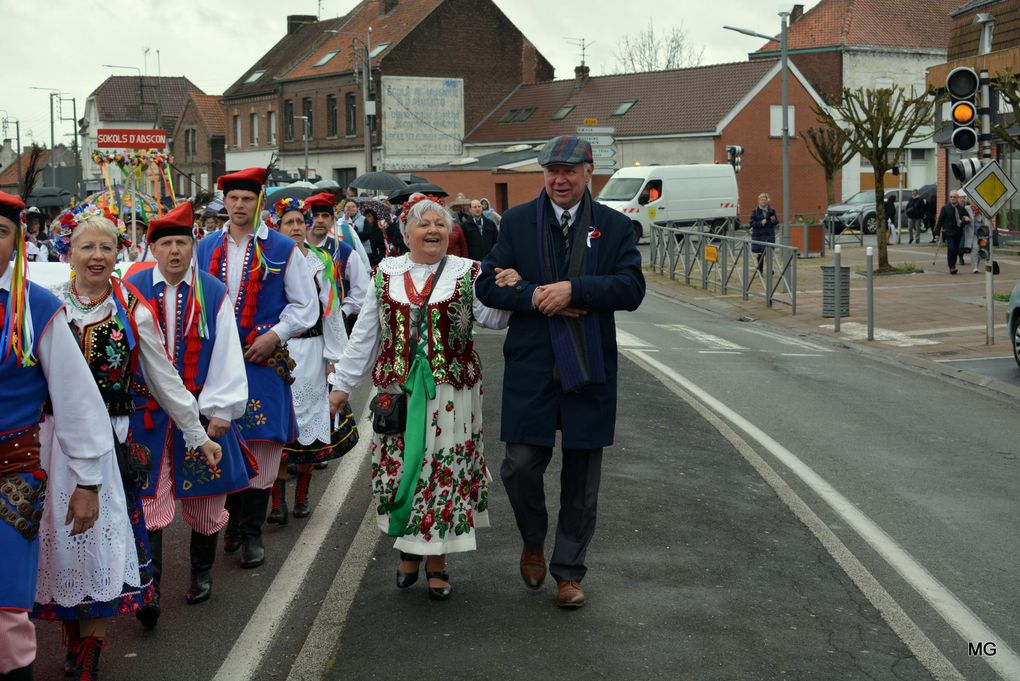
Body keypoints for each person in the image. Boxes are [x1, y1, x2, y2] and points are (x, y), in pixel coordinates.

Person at [34, 203, 222, 677]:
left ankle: (92, 646)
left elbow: (164, 379)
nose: (97, 255)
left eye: (107, 247)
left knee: (99, 540)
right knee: (56, 539)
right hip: (51, 442)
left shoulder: (131, 310)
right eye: (87, 246)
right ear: (69, 252)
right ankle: (71, 638)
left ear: (120, 253)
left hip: (109, 444)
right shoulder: (47, 304)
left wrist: (197, 435)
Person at [476, 135, 645, 609]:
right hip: (533, 365)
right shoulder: (516, 221)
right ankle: (533, 539)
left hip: (589, 366)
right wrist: (533, 295)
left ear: (590, 171)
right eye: (551, 170)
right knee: (519, 466)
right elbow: (488, 284)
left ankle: (569, 572)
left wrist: (574, 290)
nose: (559, 179)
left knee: (582, 479)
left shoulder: (613, 227)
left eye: (569, 170)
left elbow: (631, 288)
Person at [330, 194, 510, 601]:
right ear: (406, 233)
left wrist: (508, 289)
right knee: (402, 472)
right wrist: (341, 387)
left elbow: (493, 319)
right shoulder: (386, 273)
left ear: (450, 233)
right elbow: (365, 338)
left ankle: (436, 561)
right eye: (424, 225)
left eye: (440, 225)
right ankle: (410, 549)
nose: (433, 231)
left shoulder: (468, 272)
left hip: (452, 394)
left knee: (439, 474)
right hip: (397, 391)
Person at [0, 191, 112, 681]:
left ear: (18, 241)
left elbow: (76, 399)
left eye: (0, 231)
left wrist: (87, 482)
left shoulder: (37, 307)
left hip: (9, 475)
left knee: (5, 608)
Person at [126, 202, 252, 626]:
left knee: (206, 498)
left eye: (182, 242)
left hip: (200, 410)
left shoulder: (213, 291)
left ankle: (201, 574)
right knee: (149, 499)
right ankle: (151, 587)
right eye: (166, 243)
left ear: (192, 246)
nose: (175, 251)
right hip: (147, 415)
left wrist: (220, 411)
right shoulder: (133, 286)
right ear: (153, 248)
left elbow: (227, 354)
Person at [196, 168, 317, 569]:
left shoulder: (281, 247)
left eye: (247, 199)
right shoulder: (205, 246)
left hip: (261, 359)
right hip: (216, 361)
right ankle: (230, 522)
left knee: (263, 440)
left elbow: (305, 306)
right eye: (232, 199)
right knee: (223, 437)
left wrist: (275, 336)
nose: (239, 206)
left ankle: (251, 532)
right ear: (224, 203)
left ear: (258, 202)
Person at [265, 198, 352, 523]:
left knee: (311, 425)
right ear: (278, 227)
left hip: (313, 352)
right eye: (290, 222)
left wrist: (334, 358)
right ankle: (277, 502)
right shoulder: (270, 261)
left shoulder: (320, 262)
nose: (297, 227)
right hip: (281, 353)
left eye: (301, 221)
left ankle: (301, 497)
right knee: (278, 426)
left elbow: (330, 312)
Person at [306, 193, 371, 335]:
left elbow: (361, 288)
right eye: (315, 216)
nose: (320, 220)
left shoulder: (344, 251)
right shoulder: (297, 249)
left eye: (325, 216)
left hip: (335, 330)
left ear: (332, 220)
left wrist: (343, 312)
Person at [936, 190, 970, 274]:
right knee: (951, 248)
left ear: (957, 198)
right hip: (948, 232)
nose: (952, 198)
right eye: (951, 197)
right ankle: (951, 266)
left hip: (958, 232)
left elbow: (967, 219)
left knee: (955, 250)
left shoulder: (962, 209)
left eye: (954, 197)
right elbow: (940, 221)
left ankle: (953, 265)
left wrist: (965, 220)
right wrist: (936, 233)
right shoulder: (945, 208)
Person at [749, 193, 778, 273]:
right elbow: (751, 223)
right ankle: (760, 270)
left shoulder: (772, 211)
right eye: (762, 200)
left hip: (769, 235)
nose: (763, 201)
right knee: (760, 254)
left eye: (765, 200)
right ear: (759, 201)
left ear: (767, 201)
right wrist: (761, 222)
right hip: (759, 236)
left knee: (769, 253)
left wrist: (773, 220)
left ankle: (769, 269)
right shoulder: (754, 211)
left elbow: (776, 223)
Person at [359, 202, 389, 268]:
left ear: (374, 217)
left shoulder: (377, 230)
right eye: (365, 216)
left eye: (369, 216)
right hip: (363, 257)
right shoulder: (362, 229)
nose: (366, 218)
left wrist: (380, 260)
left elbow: (382, 247)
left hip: (374, 259)